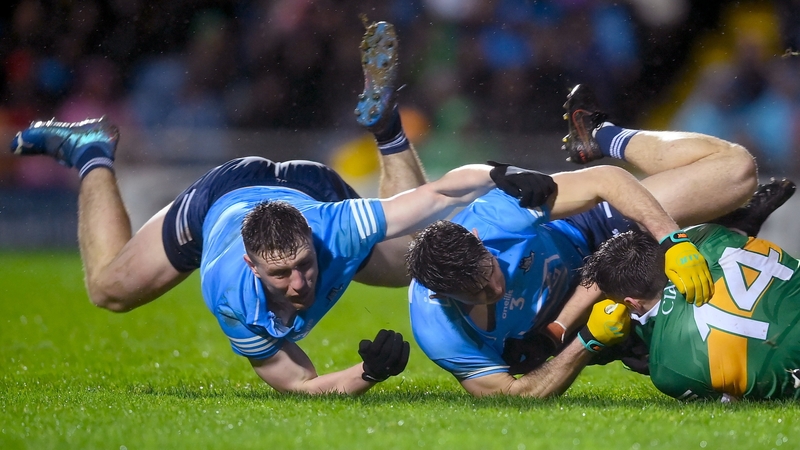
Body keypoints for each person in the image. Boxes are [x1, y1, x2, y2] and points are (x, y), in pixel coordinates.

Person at [8, 21, 556, 396]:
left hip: (312, 190)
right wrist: (367, 373)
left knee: (417, 250)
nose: (298, 284)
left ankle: (387, 127)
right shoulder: (229, 290)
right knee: (109, 291)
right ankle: (92, 151)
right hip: (222, 196)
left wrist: (501, 173)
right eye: (280, 274)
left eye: (304, 265)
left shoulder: (334, 227)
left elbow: (433, 198)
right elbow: (298, 383)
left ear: (312, 241)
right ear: (251, 266)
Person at [405, 84, 759, 397]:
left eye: (490, 271)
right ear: (441, 296)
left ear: (479, 240)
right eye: (476, 292)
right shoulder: (440, 333)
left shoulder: (494, 218)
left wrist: (673, 241)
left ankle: (601, 135)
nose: (494, 288)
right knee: (692, 356)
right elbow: (512, 395)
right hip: (584, 313)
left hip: (591, 231)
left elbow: (607, 180)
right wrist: (585, 340)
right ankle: (731, 231)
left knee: (736, 170)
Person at [581, 180, 800, 401]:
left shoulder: (666, 371)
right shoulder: (706, 236)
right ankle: (740, 226)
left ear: (631, 302)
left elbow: (732, 404)